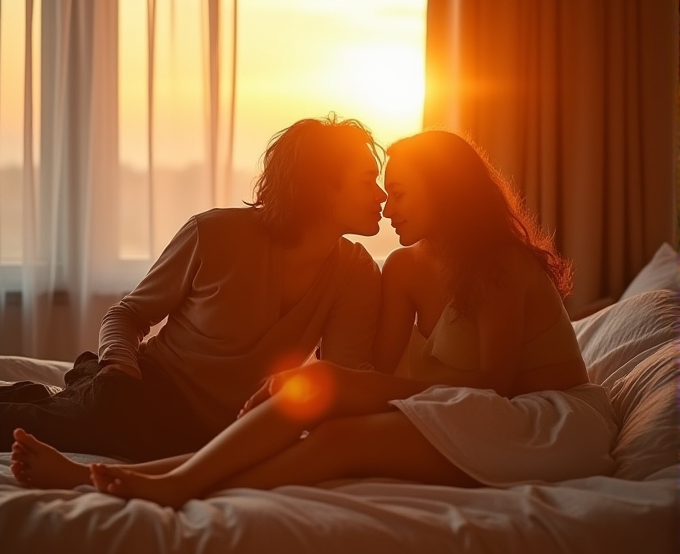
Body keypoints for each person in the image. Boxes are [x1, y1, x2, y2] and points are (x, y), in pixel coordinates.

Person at [10, 130, 618, 505]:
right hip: (152, 387)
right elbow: (365, 377)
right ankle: (134, 470)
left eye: (400, 190)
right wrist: (317, 389)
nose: (386, 200)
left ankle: (160, 480)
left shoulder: (493, 265)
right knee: (323, 417)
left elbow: (490, 385)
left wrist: (327, 386)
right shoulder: (397, 270)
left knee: (331, 424)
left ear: (447, 191)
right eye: (379, 185)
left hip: (537, 420)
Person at [1, 115, 386, 461]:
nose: (381, 195)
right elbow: (128, 314)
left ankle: (55, 397)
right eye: (368, 180)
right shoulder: (215, 233)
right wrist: (118, 367)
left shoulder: (357, 273)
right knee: (101, 417)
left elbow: (342, 376)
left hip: (219, 431)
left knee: (149, 441)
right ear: (321, 186)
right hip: (145, 391)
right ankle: (76, 391)